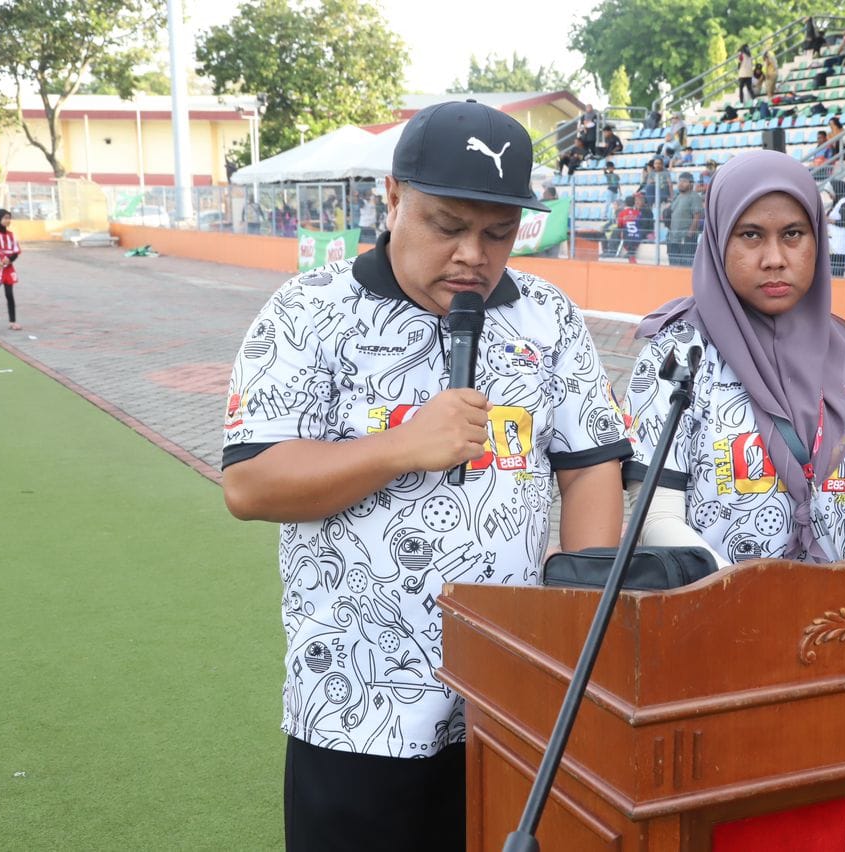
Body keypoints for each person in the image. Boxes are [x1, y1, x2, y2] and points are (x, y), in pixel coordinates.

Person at [220, 100, 631, 851]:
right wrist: (401, 446)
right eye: (448, 226)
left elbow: (592, 466)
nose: (474, 253)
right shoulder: (309, 312)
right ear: (393, 197)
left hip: (509, 704)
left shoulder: (548, 317)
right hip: (352, 705)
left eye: (498, 233)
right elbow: (250, 484)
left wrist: (575, 607)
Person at [621, 149, 845, 568]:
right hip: (710, 613)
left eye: (793, 234)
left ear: (817, 240)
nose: (774, 258)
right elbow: (656, 516)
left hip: (835, 619)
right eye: (751, 235)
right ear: (719, 239)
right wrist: (753, 600)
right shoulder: (680, 353)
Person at [666, 172, 705, 267]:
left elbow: (697, 215)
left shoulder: (694, 196)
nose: (681, 183)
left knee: (686, 265)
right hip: (673, 236)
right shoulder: (677, 196)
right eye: (680, 181)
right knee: (673, 264)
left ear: (691, 184)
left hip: (686, 237)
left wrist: (690, 232)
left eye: (684, 181)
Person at [826, 179, 845, 277]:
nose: (829, 196)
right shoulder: (838, 203)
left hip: (840, 242)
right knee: (834, 268)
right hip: (835, 242)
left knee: (837, 268)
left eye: (830, 192)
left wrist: (829, 220)